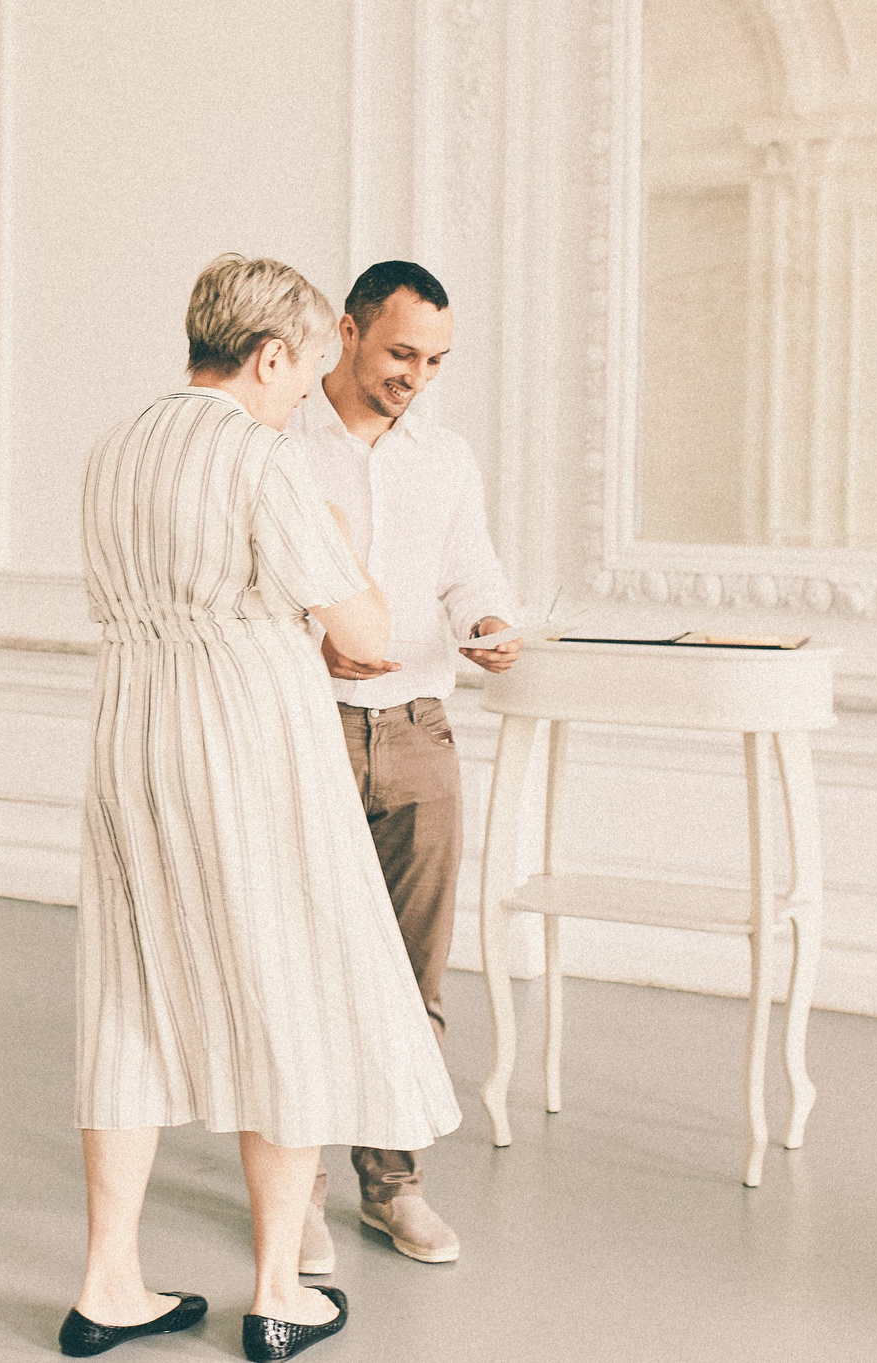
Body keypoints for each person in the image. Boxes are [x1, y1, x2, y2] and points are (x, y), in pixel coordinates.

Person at [67, 254, 458, 1362]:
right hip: (242, 743)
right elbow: (368, 635)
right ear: (272, 354)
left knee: (127, 995)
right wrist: (333, 545)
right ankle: (279, 1291)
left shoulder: (113, 447)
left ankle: (108, 1284)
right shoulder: (260, 458)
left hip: (130, 736)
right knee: (281, 989)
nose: (301, 397)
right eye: (301, 375)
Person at [286, 259, 518, 1267]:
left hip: (421, 731)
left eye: (433, 361)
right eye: (399, 353)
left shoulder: (445, 457)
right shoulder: (276, 442)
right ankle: (295, 1191)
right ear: (345, 332)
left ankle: (395, 1182)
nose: (414, 376)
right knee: (299, 967)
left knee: (410, 978)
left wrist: (489, 622)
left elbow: (470, 570)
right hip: (309, 726)